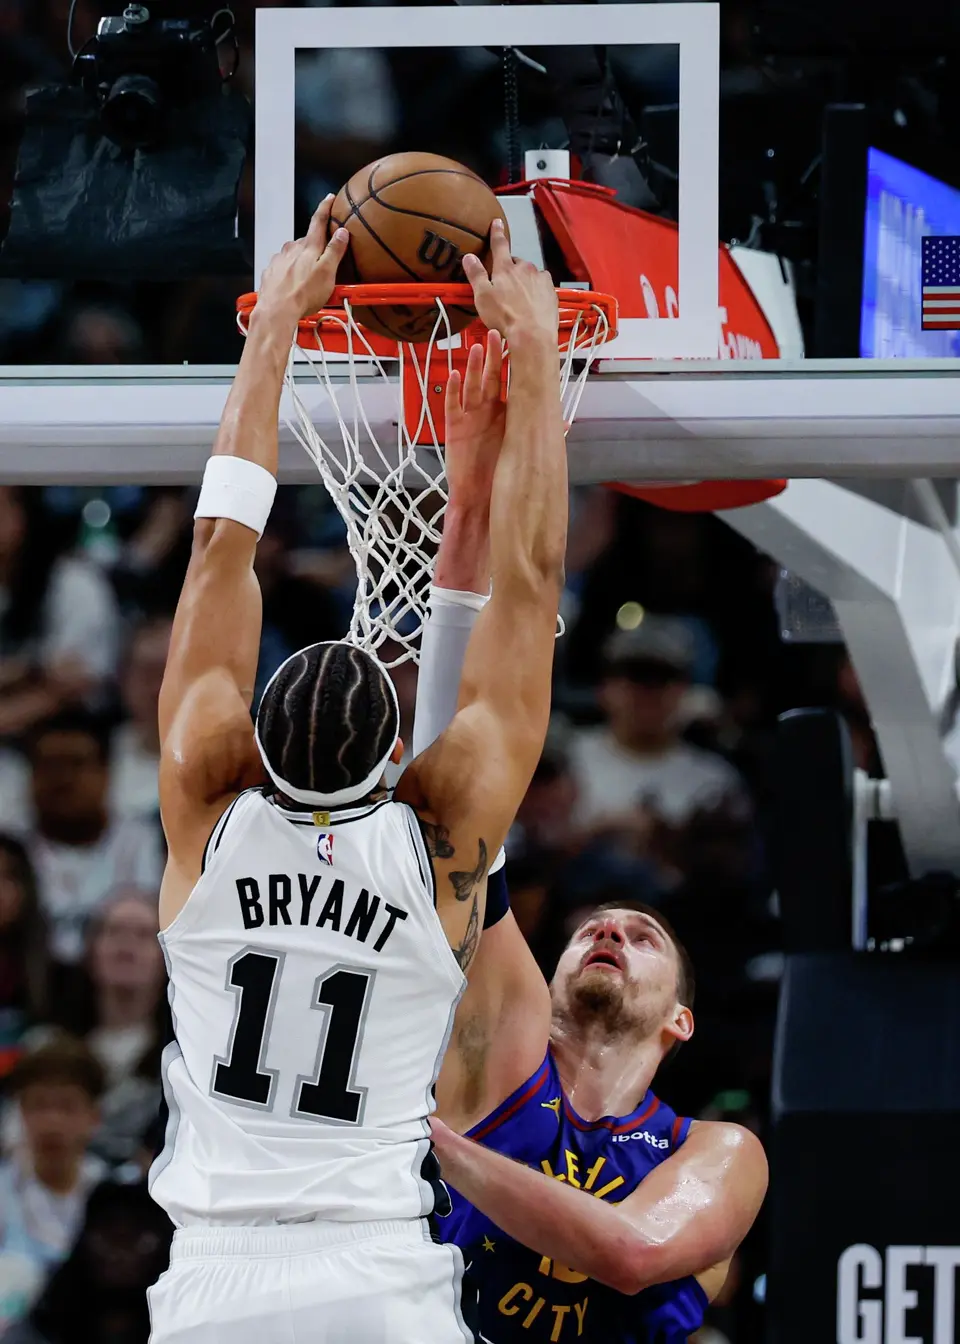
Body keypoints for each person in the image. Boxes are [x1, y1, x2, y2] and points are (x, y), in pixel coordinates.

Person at [148, 197, 568, 1344]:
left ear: (249, 744)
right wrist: (534, 355)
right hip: (378, 1282)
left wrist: (271, 328)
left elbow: (217, 545)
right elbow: (529, 585)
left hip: (212, 1288)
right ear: (398, 757)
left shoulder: (204, 810)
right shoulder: (434, 840)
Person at [402, 403, 768, 1343]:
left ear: (681, 1017)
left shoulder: (717, 1151)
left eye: (642, 937)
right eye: (592, 931)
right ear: (553, 980)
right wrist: (473, 508)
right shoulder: (503, 1052)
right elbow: (458, 803)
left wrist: (429, 1143)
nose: (610, 931)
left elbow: (634, 1254)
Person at [23, 712, 164, 969]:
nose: (62, 778)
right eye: (49, 764)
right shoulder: (13, 852)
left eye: (76, 763)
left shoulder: (148, 844)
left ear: (106, 773)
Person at [0, 1036, 106, 1332]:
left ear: (94, 1117)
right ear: (20, 1112)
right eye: (39, 1105)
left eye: (67, 1106)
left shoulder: (116, 1196)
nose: (52, 1121)